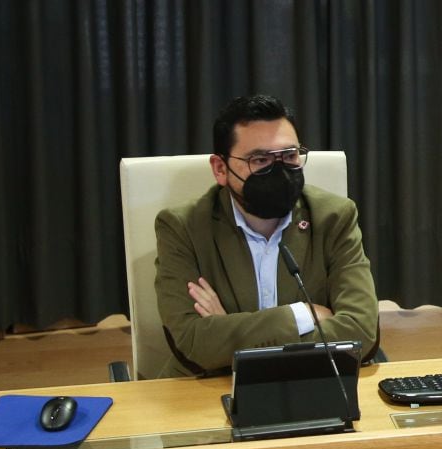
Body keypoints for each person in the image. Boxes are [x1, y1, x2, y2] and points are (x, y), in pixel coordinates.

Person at [153, 94, 378, 378]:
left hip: (314, 381)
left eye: (289, 155)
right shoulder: (182, 228)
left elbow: (361, 332)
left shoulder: (334, 217)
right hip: (210, 387)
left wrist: (228, 332)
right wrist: (302, 316)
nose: (280, 169)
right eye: (260, 159)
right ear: (221, 169)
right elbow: (193, 342)